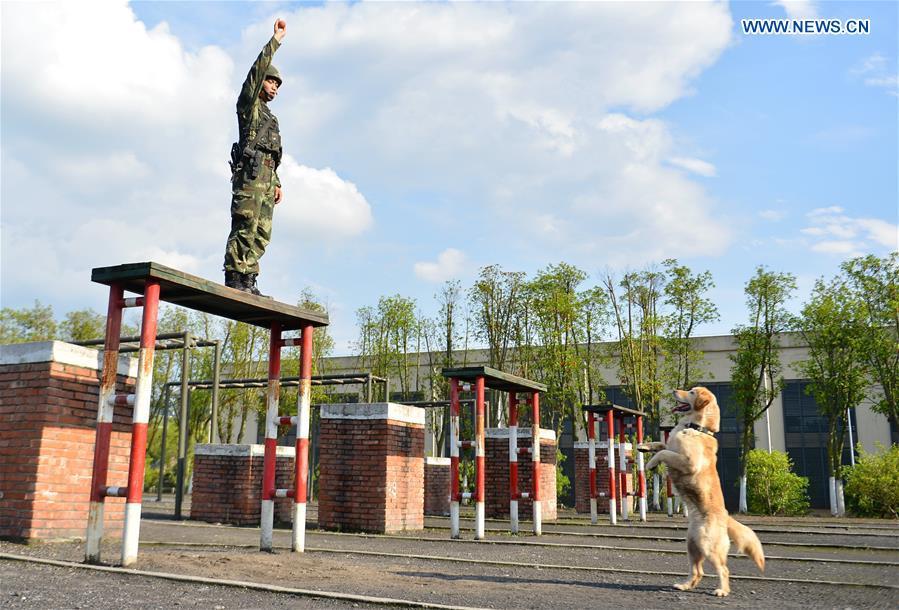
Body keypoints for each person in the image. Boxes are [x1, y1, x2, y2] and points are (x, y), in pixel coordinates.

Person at [223, 19, 287, 296]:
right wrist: (275, 41)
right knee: (245, 224)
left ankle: (248, 278)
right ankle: (234, 276)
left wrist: (277, 182)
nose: (275, 88)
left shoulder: (271, 118)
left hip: (267, 177)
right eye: (271, 82)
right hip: (250, 175)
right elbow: (256, 71)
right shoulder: (250, 106)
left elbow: (272, 151)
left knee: (262, 231)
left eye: (278, 85)